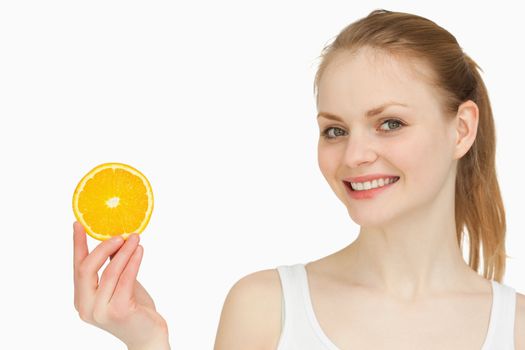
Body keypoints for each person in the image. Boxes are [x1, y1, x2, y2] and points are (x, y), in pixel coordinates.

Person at [73, 9, 525, 350]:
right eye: (335, 130)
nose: (354, 155)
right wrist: (146, 341)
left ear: (462, 128)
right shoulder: (266, 308)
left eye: (390, 123)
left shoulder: (516, 328)